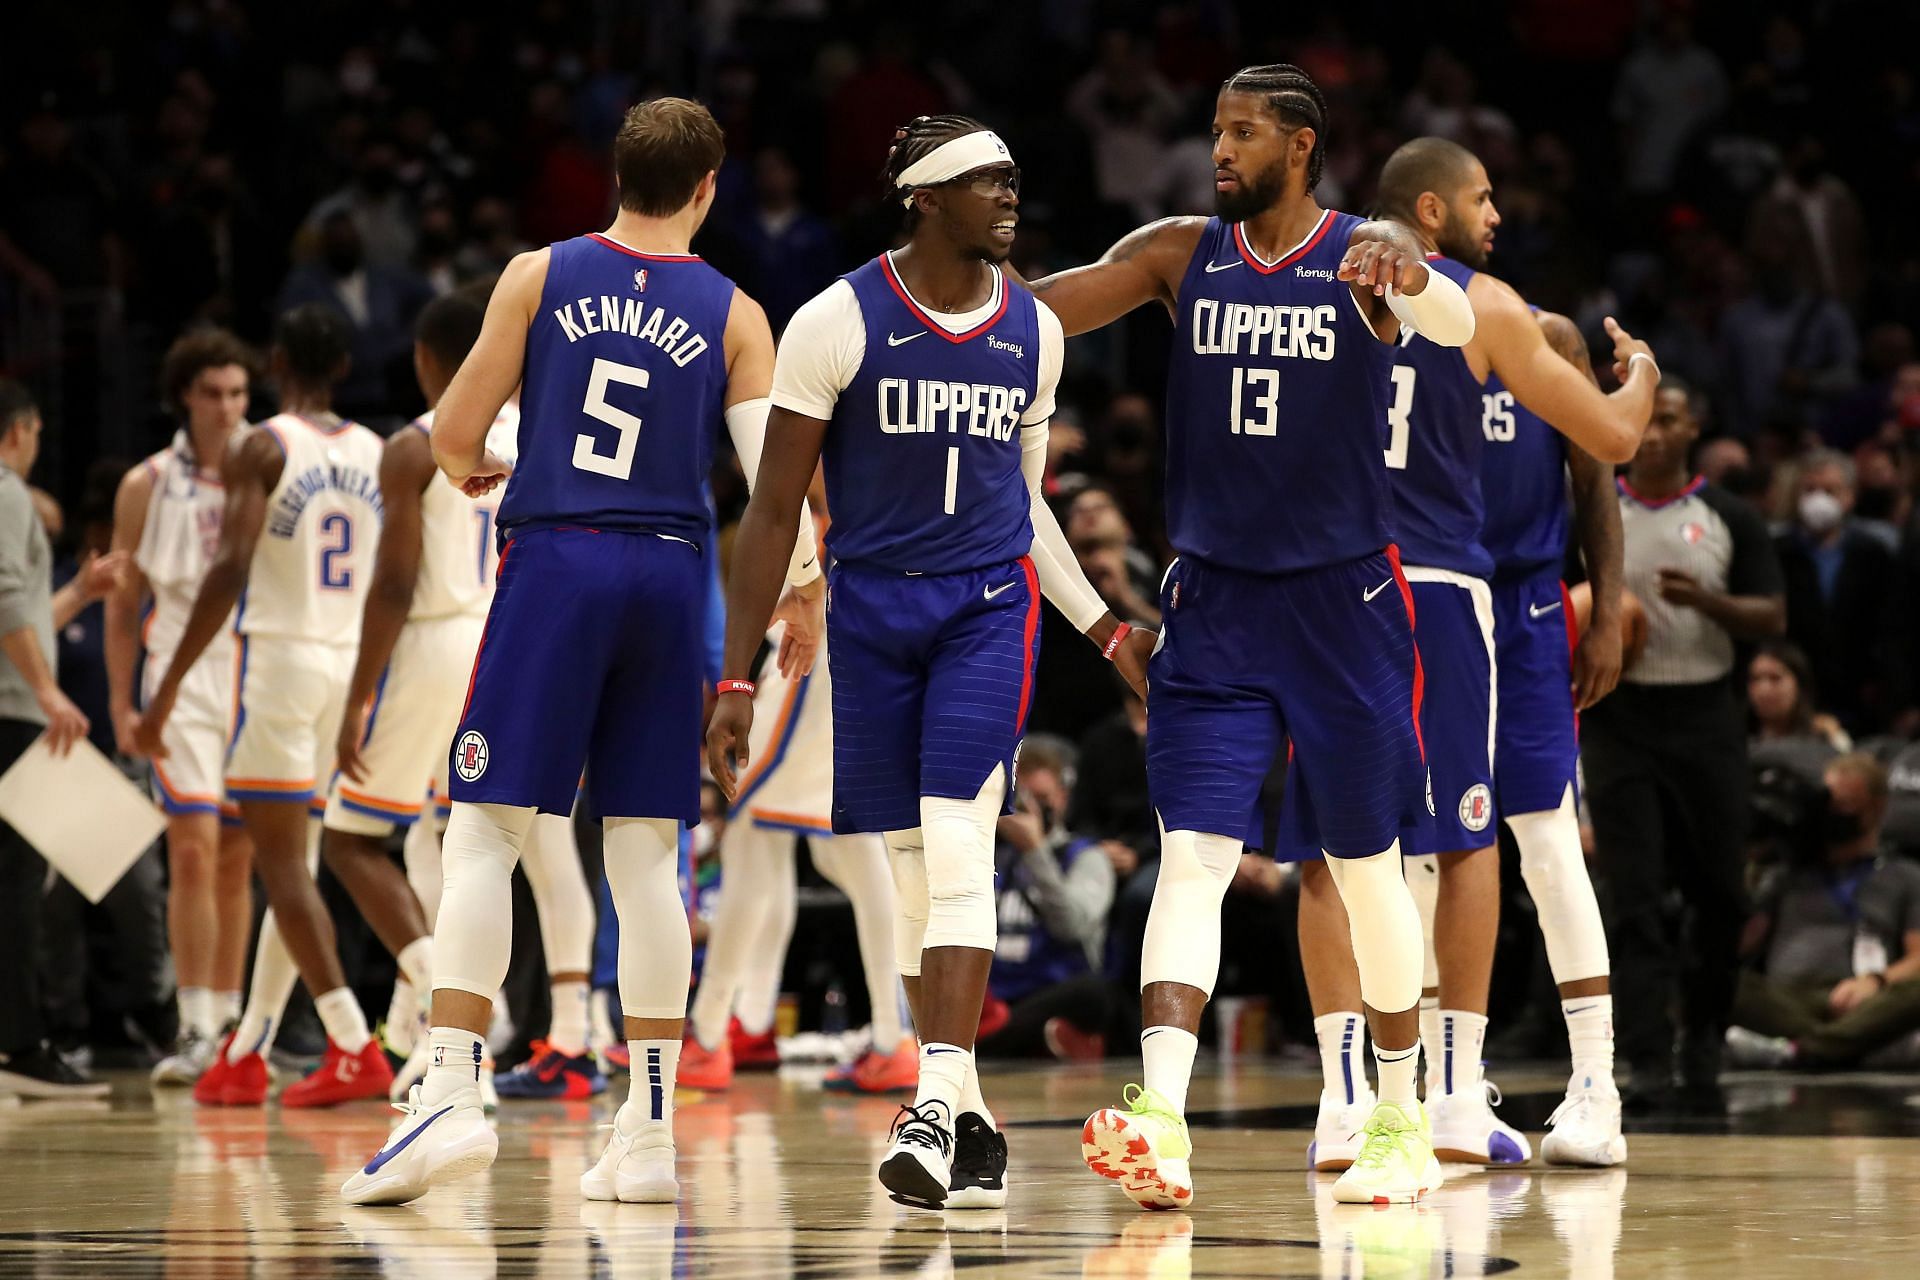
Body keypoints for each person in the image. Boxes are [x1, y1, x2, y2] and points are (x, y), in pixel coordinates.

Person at [344, 96, 825, 1208]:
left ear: (615, 175)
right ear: (711, 189)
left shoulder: (537, 274)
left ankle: (454, 1093)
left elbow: (452, 431)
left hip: (558, 561)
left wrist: (471, 465)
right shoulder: (739, 312)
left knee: (483, 832)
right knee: (647, 853)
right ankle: (649, 1132)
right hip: (668, 574)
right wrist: (802, 589)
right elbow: (777, 488)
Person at [1024, 64, 1478, 1207]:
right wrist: (924, 300)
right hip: (1215, 604)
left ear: (1302, 144)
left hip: (1343, 604)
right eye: (1216, 129)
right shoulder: (1185, 251)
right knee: (1194, 858)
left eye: (1241, 134)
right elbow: (1043, 303)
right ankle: (1163, 1114)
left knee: (1367, 862)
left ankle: (1397, 1112)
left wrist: (1414, 271)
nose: (1218, 150)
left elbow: (1458, 318)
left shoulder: (1362, 253)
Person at [707, 113, 1150, 1211]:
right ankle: (973, 1117)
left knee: (956, 841)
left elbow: (1028, 508)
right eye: (988, 182)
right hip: (869, 614)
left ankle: (935, 1097)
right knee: (909, 870)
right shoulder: (836, 320)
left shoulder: (1034, 331)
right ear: (926, 196)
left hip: (985, 609)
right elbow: (770, 512)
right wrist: (734, 673)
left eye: (1011, 180)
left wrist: (1103, 625)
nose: (1010, 197)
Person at [1300, 136, 1651, 1172]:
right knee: (1432, 850)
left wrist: (1609, 598)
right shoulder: (1476, 313)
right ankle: (1427, 1089)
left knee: (1518, 837)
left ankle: (1584, 1082)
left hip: (1500, 602)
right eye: (1484, 196)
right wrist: (1648, 380)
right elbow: (1616, 438)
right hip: (1439, 590)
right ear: (1434, 211)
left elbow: (1595, 479)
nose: (1499, 211)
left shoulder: (1514, 323)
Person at [131, 305, 391, 1109]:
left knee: (276, 864)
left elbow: (231, 566)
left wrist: (165, 684)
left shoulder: (264, 445)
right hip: (349, 664)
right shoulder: (380, 453)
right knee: (298, 861)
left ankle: (351, 1039)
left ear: (276, 364)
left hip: (278, 663)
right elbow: (391, 582)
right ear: (345, 368)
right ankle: (244, 1047)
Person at [1583, 378, 1786, 1113]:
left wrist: (1709, 603)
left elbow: (1773, 614)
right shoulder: (1597, 506)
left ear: (1693, 427)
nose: (1658, 432)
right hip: (1619, 717)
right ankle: (1643, 1056)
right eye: (1650, 420)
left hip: (1706, 719)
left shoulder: (1728, 515)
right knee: (1632, 898)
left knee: (1720, 895)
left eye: (1670, 420)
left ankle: (1704, 1033)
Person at [105, 328, 259, 1086]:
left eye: (237, 394)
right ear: (184, 399)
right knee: (191, 848)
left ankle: (229, 1024)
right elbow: (123, 598)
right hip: (179, 677)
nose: (227, 409)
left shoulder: (269, 468)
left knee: (239, 860)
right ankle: (194, 1021)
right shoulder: (147, 483)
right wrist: (118, 695)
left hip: (255, 669)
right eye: (212, 394)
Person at [680, 617, 916, 1096]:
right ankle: (755, 1019)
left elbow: (796, 559)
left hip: (819, 651)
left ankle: (711, 1033)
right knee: (827, 849)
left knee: (756, 831)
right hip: (852, 651)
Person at [0, 380, 124, 1099]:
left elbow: (16, 613)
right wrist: (47, 691)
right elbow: (7, 598)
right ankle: (20, 1043)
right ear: (20, 431)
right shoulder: (12, 492)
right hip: (13, 710)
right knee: (21, 885)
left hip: (16, 699)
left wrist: (78, 594)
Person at [1728, 754, 1920, 1068]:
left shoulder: (1903, 876)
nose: (1832, 813)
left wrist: (1876, 982)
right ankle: (1842, 1047)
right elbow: (1737, 946)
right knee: (1718, 981)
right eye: (1827, 803)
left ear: (1876, 808)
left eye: (1845, 805)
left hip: (1865, 1002)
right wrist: (1760, 859)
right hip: (1786, 1002)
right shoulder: (1786, 873)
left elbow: (1918, 958)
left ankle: (1801, 1050)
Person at [1773, 450, 1902, 734]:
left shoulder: (1873, 554)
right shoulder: (1778, 552)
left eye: (1830, 490)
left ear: (1850, 496)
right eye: (1810, 489)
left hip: (1861, 691)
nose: (1819, 499)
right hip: (1799, 690)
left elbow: (1890, 623)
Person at [1748, 640, 1849, 781]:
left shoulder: (1825, 738)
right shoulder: (1739, 742)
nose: (1764, 689)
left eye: (1775, 678)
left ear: (1799, 685)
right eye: (1755, 679)